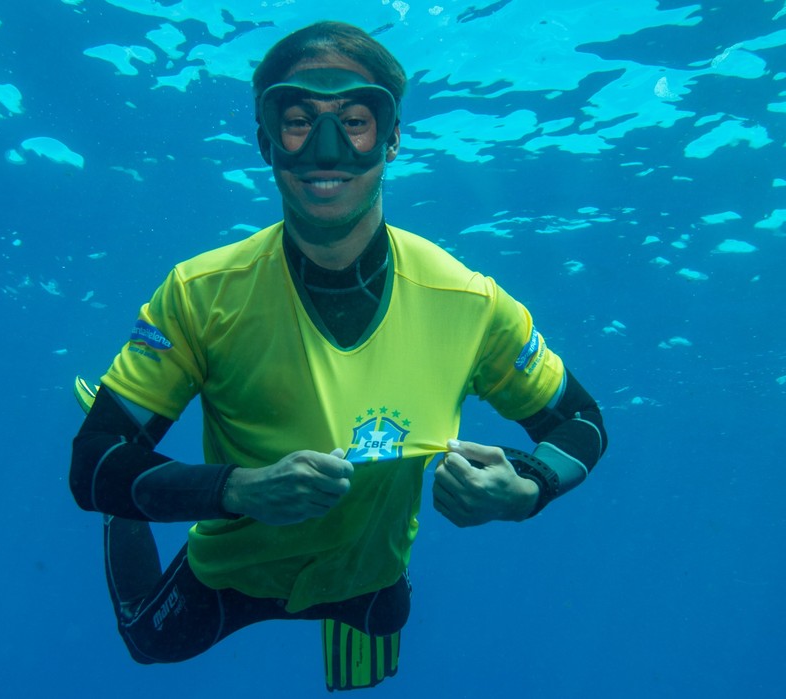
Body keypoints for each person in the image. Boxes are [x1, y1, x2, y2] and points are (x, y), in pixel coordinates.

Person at [70, 20, 607, 692]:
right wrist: (236, 489)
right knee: (148, 644)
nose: (328, 151)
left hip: (368, 581)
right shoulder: (199, 294)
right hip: (233, 567)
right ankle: (139, 508)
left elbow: (581, 420)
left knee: (371, 669)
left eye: (354, 120)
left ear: (391, 136)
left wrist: (525, 489)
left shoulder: (469, 304)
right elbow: (91, 466)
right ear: (266, 142)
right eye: (298, 121)